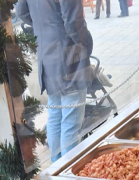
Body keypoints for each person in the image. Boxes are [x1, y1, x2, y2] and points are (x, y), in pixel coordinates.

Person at [16, 0, 93, 163]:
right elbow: (73, 23)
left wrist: (44, 26)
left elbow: (21, 11)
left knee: (55, 117)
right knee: (70, 123)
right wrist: (87, 43)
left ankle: (56, 166)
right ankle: (68, 170)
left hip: (46, 57)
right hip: (69, 56)